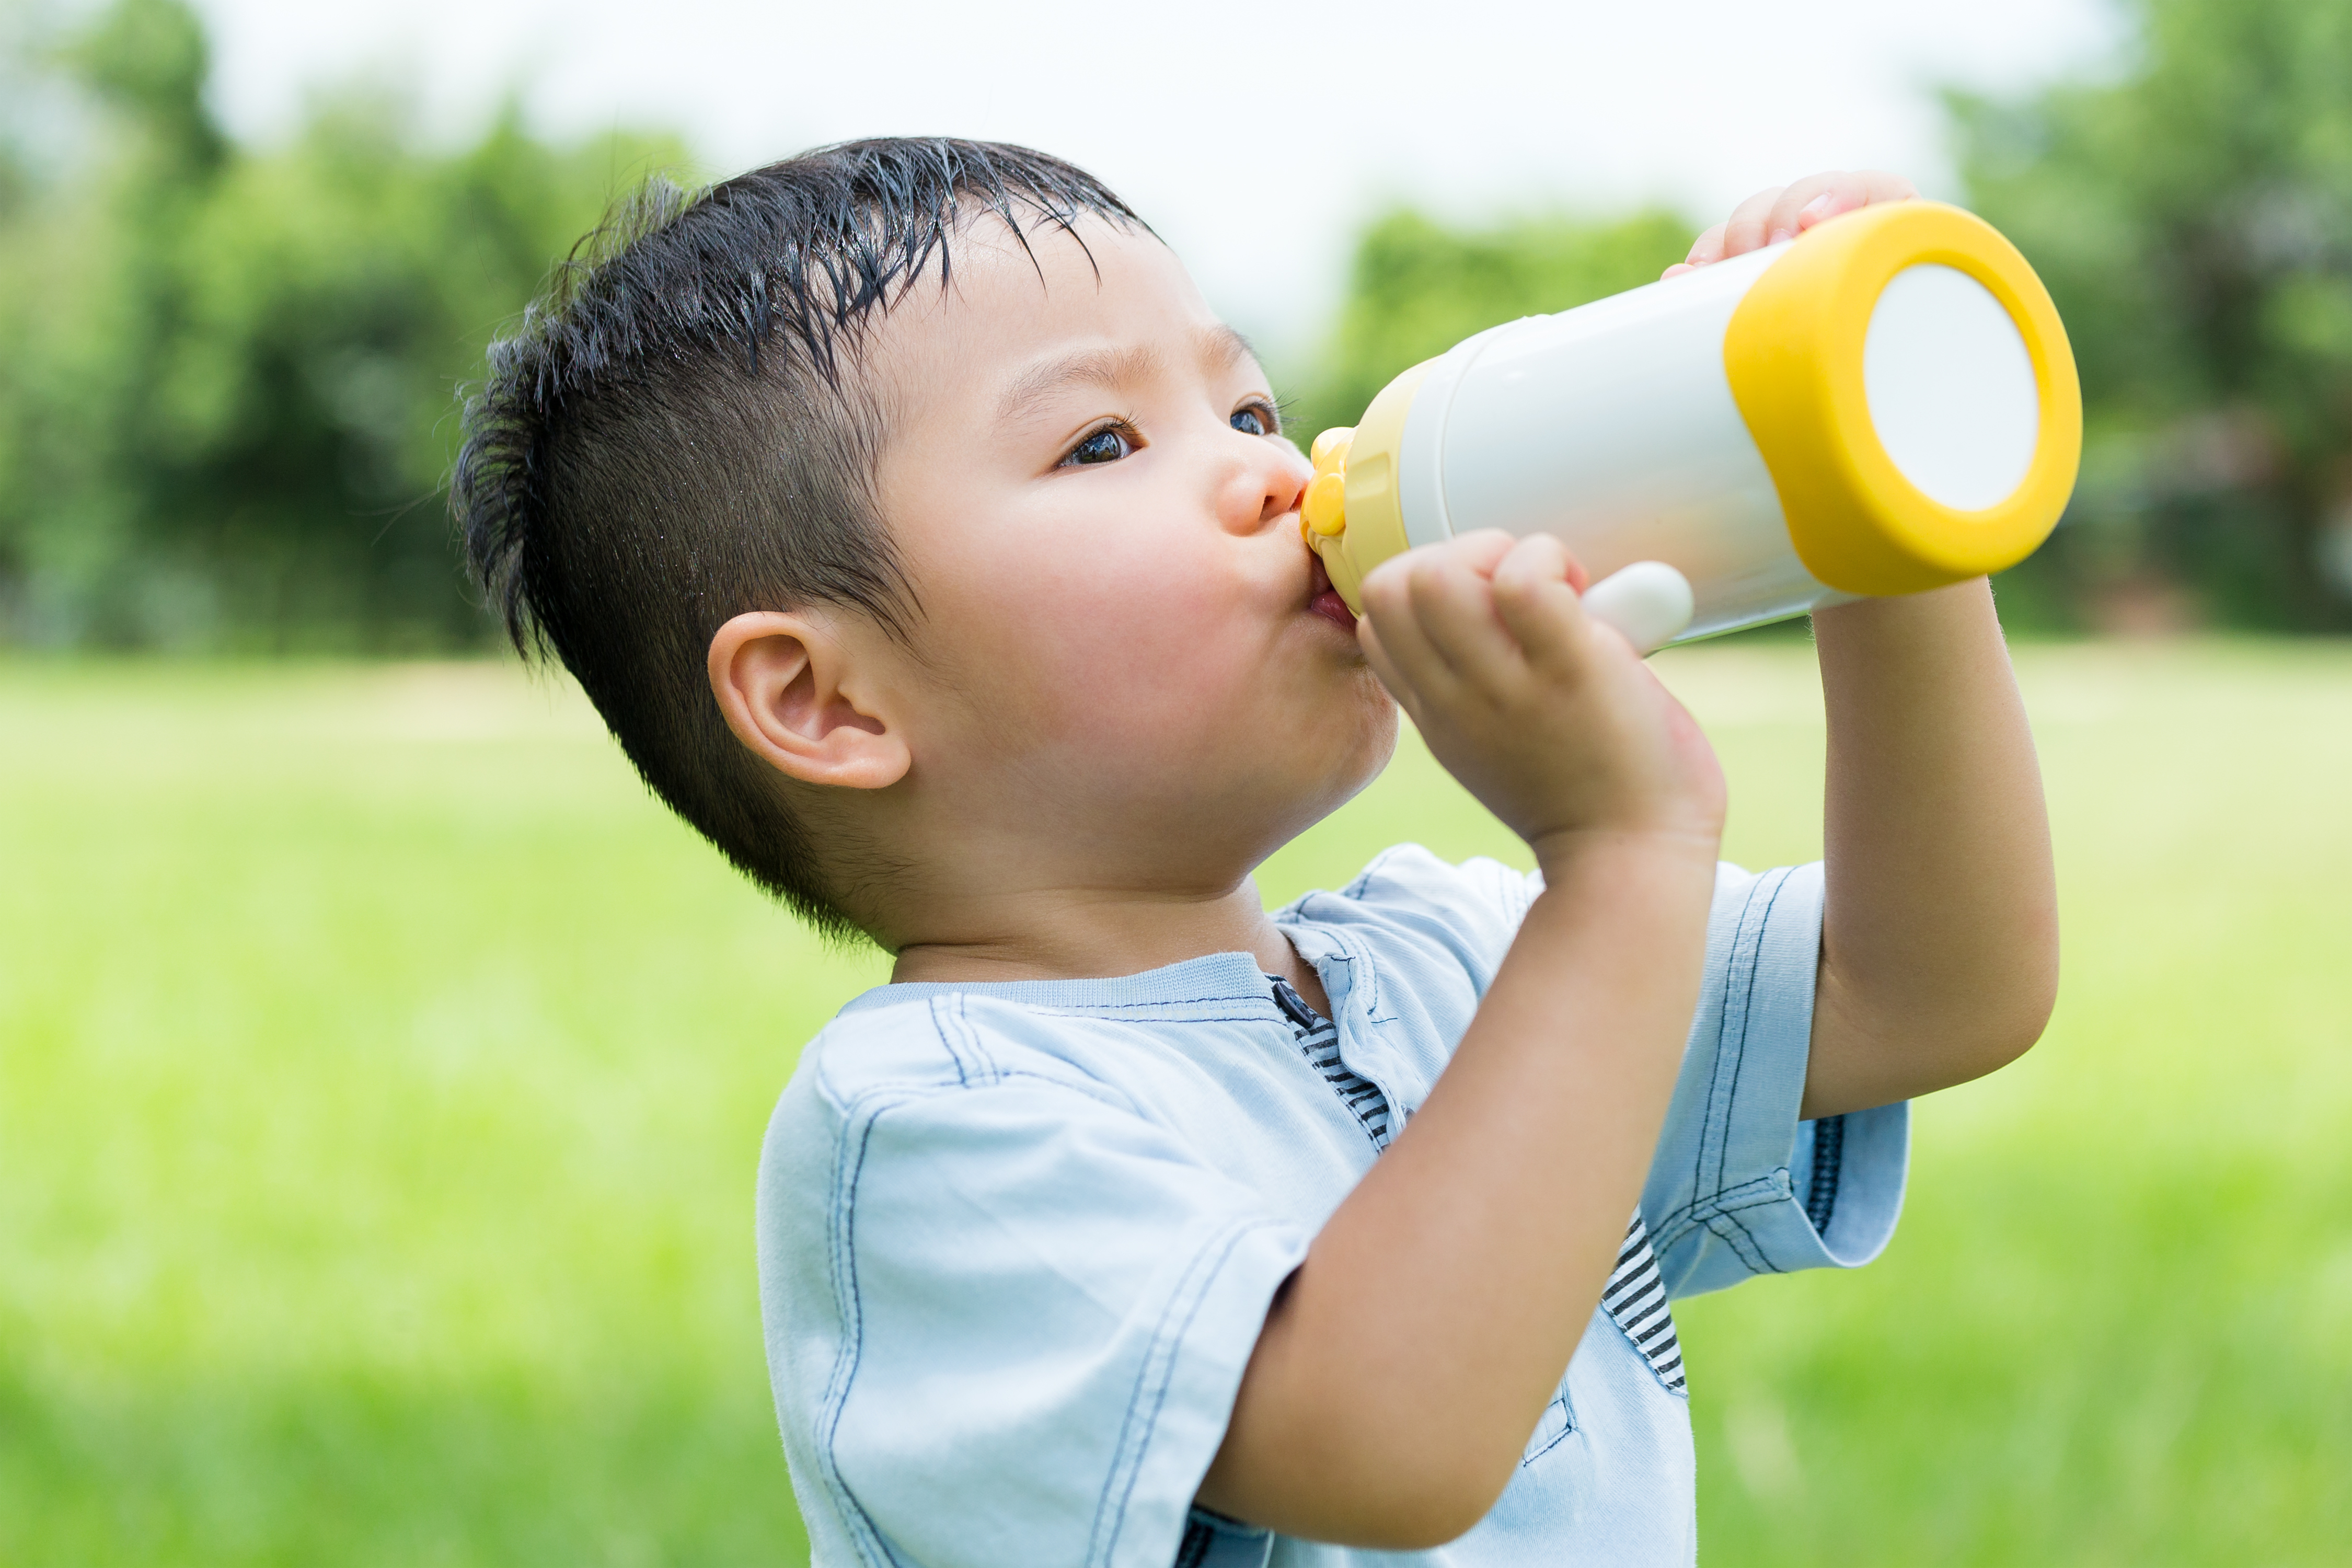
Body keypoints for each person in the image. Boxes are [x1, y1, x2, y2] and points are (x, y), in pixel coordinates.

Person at [453, 140, 2056, 1566]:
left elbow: (1932, 991)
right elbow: (1386, 1443)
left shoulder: (1446, 959)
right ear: (825, 700)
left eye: (1246, 406)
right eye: (1101, 444)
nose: (1276, 475)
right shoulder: (931, 1129)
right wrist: (1620, 859)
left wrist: (1867, 515)